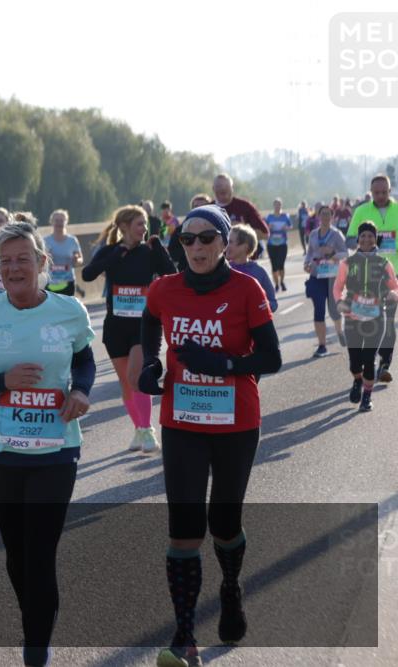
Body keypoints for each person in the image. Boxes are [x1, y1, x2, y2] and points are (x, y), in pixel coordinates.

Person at [138, 205, 282, 667]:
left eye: (206, 238)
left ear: (224, 242)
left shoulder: (246, 288)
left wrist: (222, 364)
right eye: (187, 239)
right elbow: (149, 320)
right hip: (181, 422)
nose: (196, 247)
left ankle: (231, 587)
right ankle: (184, 637)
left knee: (223, 522)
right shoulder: (165, 289)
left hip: (235, 423)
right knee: (184, 529)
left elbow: (272, 358)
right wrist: (151, 364)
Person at [0, 220, 96, 667]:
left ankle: (36, 649)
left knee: (41, 550)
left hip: (55, 451)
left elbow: (86, 362)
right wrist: (0, 382)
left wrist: (80, 392)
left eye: (23, 259)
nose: (14, 268)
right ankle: (33, 618)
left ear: (42, 263)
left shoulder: (70, 311)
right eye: (5, 261)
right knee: (17, 553)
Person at [82, 205, 176, 452]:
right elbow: (88, 274)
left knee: (136, 377)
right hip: (115, 326)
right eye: (139, 224)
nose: (144, 229)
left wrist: (160, 250)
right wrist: (118, 254)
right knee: (126, 383)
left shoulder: (150, 250)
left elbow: (172, 274)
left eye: (145, 224)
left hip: (143, 325)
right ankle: (138, 429)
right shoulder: (111, 251)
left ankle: (147, 431)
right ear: (124, 227)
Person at [335, 221, 398, 411]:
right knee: (355, 362)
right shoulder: (347, 263)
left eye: (370, 235)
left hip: (375, 319)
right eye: (363, 235)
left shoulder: (383, 263)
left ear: (375, 239)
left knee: (369, 358)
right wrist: (340, 301)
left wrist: (392, 294)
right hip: (352, 318)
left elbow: (394, 286)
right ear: (358, 239)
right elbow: (338, 287)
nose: (366, 239)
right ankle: (357, 380)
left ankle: (367, 396)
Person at [346, 174, 398, 382]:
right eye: (377, 193)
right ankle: (368, 362)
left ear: (389, 190)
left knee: (389, 320)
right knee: (365, 321)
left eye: (384, 192)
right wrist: (367, 243)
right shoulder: (361, 211)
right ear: (371, 191)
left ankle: (384, 363)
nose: (381, 196)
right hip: (366, 278)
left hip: (392, 274)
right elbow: (350, 238)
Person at [305, 205, 349, 357]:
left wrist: (333, 253)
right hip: (317, 276)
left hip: (332, 277)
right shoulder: (313, 234)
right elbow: (310, 252)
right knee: (319, 310)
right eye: (322, 214)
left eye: (328, 214)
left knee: (334, 310)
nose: (325, 217)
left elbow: (346, 253)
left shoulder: (336, 234)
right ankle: (322, 345)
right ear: (318, 216)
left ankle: (339, 331)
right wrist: (307, 263)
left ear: (332, 216)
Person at [212, 174, 269, 260]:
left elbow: (265, 234)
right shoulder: (207, 209)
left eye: (227, 186)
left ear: (232, 188)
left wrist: (243, 230)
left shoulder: (244, 206)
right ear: (213, 189)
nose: (223, 189)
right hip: (216, 264)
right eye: (219, 186)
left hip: (243, 265)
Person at [227, 225, 278, 313]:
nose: (226, 245)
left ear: (245, 247)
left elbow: (273, 303)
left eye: (230, 242)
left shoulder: (259, 272)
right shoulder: (223, 270)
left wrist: (263, 306)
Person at [44, 208, 84, 297]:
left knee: (67, 309)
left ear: (66, 222)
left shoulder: (72, 240)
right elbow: (39, 261)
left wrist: (76, 259)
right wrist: (46, 257)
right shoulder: (45, 241)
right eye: (56, 220)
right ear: (51, 222)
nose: (59, 223)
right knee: (53, 309)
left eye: (62, 220)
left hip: (68, 281)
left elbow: (80, 260)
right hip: (51, 282)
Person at [168, 195, 212, 273]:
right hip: (187, 272)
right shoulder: (181, 229)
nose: (199, 209)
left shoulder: (216, 230)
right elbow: (172, 250)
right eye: (196, 206)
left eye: (203, 206)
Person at [264, 198, 292, 291]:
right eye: (276, 205)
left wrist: (286, 227)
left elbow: (290, 226)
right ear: (273, 206)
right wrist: (268, 227)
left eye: (279, 204)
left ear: (281, 205)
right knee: (274, 265)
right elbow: (264, 228)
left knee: (281, 264)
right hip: (271, 244)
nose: (277, 206)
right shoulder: (269, 217)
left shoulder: (285, 216)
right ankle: (276, 284)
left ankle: (282, 281)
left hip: (282, 244)